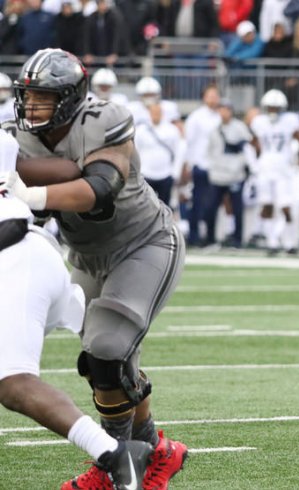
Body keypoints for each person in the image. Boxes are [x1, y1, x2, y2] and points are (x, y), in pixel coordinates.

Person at [3, 48, 188, 489]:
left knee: (107, 350)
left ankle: (113, 467)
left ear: (70, 97)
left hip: (143, 243)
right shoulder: (16, 134)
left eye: (42, 98)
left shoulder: (104, 119)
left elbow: (100, 188)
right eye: (26, 97)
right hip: (85, 255)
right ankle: (157, 452)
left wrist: (32, 195)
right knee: (103, 365)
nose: (30, 107)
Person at [0, 129, 154, 490]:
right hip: (32, 252)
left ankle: (116, 454)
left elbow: (65, 172)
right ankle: (146, 438)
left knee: (13, 382)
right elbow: (62, 169)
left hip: (15, 258)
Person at [250, 89, 299, 255]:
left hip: (283, 170)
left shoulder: (290, 121)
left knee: (285, 206)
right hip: (265, 169)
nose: (273, 111)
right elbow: (253, 143)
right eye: (270, 107)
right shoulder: (259, 122)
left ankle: (290, 242)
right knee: (267, 205)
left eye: (276, 107)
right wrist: (255, 163)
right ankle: (272, 242)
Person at [207, 98, 255, 248]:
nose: (223, 113)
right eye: (221, 109)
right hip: (218, 174)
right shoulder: (214, 129)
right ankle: (210, 238)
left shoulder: (239, 128)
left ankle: (237, 239)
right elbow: (211, 151)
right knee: (211, 207)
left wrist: (248, 167)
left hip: (235, 174)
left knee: (237, 208)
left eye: (226, 109)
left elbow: (247, 148)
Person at [184, 84, 223, 246]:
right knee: (197, 202)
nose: (213, 99)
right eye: (210, 95)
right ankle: (194, 236)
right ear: (204, 98)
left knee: (212, 204)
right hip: (200, 164)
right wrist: (188, 164)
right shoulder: (196, 117)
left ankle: (210, 236)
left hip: (216, 166)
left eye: (216, 95)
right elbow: (188, 142)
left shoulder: (220, 117)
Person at [134, 102, 184, 208]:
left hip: (165, 174)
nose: (155, 115)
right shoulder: (141, 130)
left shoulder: (172, 130)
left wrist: (175, 173)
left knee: (165, 207)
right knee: (145, 207)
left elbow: (179, 152)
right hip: (146, 174)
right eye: (153, 112)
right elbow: (135, 151)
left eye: (158, 112)